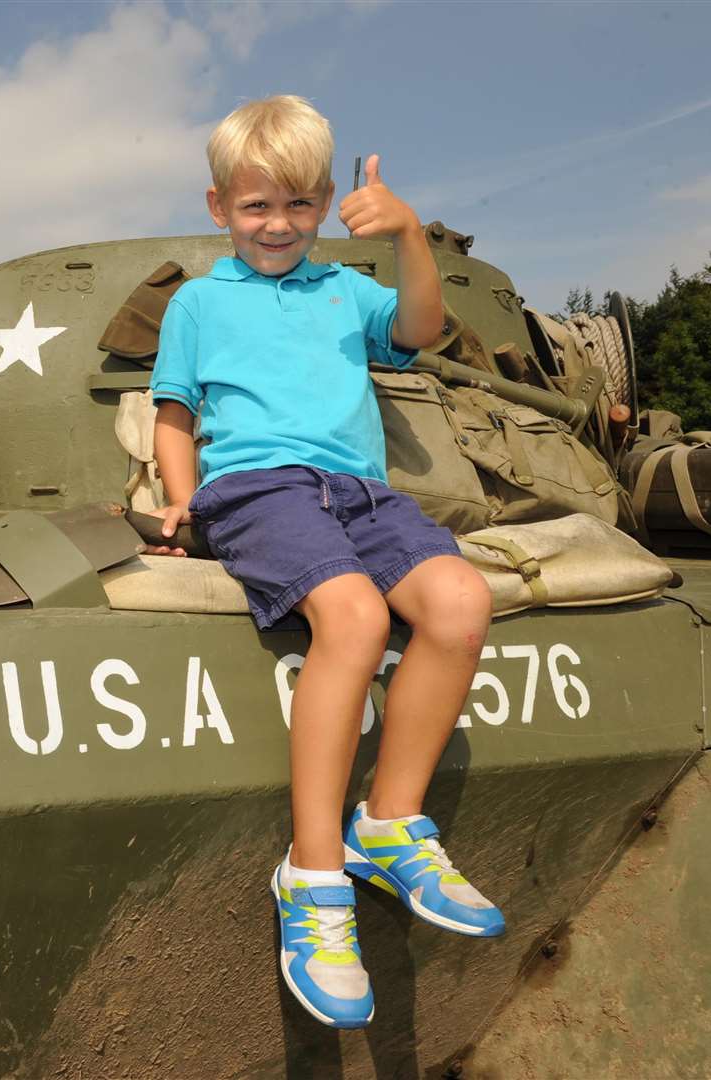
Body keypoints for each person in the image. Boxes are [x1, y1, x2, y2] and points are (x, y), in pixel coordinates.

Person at [149, 95, 501, 1030]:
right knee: (352, 617)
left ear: (320, 207)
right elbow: (175, 412)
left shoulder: (347, 291)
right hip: (255, 487)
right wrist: (181, 496)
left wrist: (410, 235)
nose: (279, 225)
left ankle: (387, 823)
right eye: (257, 207)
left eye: (300, 205)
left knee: (461, 599)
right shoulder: (197, 300)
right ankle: (312, 878)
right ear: (220, 205)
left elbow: (421, 329)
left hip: (358, 491)